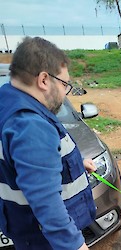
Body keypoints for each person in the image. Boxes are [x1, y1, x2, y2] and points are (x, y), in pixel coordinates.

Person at [0, 37, 96, 250]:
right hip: (44, 241)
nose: (64, 93)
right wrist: (75, 246)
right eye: (64, 84)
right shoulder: (30, 124)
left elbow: (24, 165)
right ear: (44, 80)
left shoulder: (6, 103)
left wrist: (77, 165)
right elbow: (47, 204)